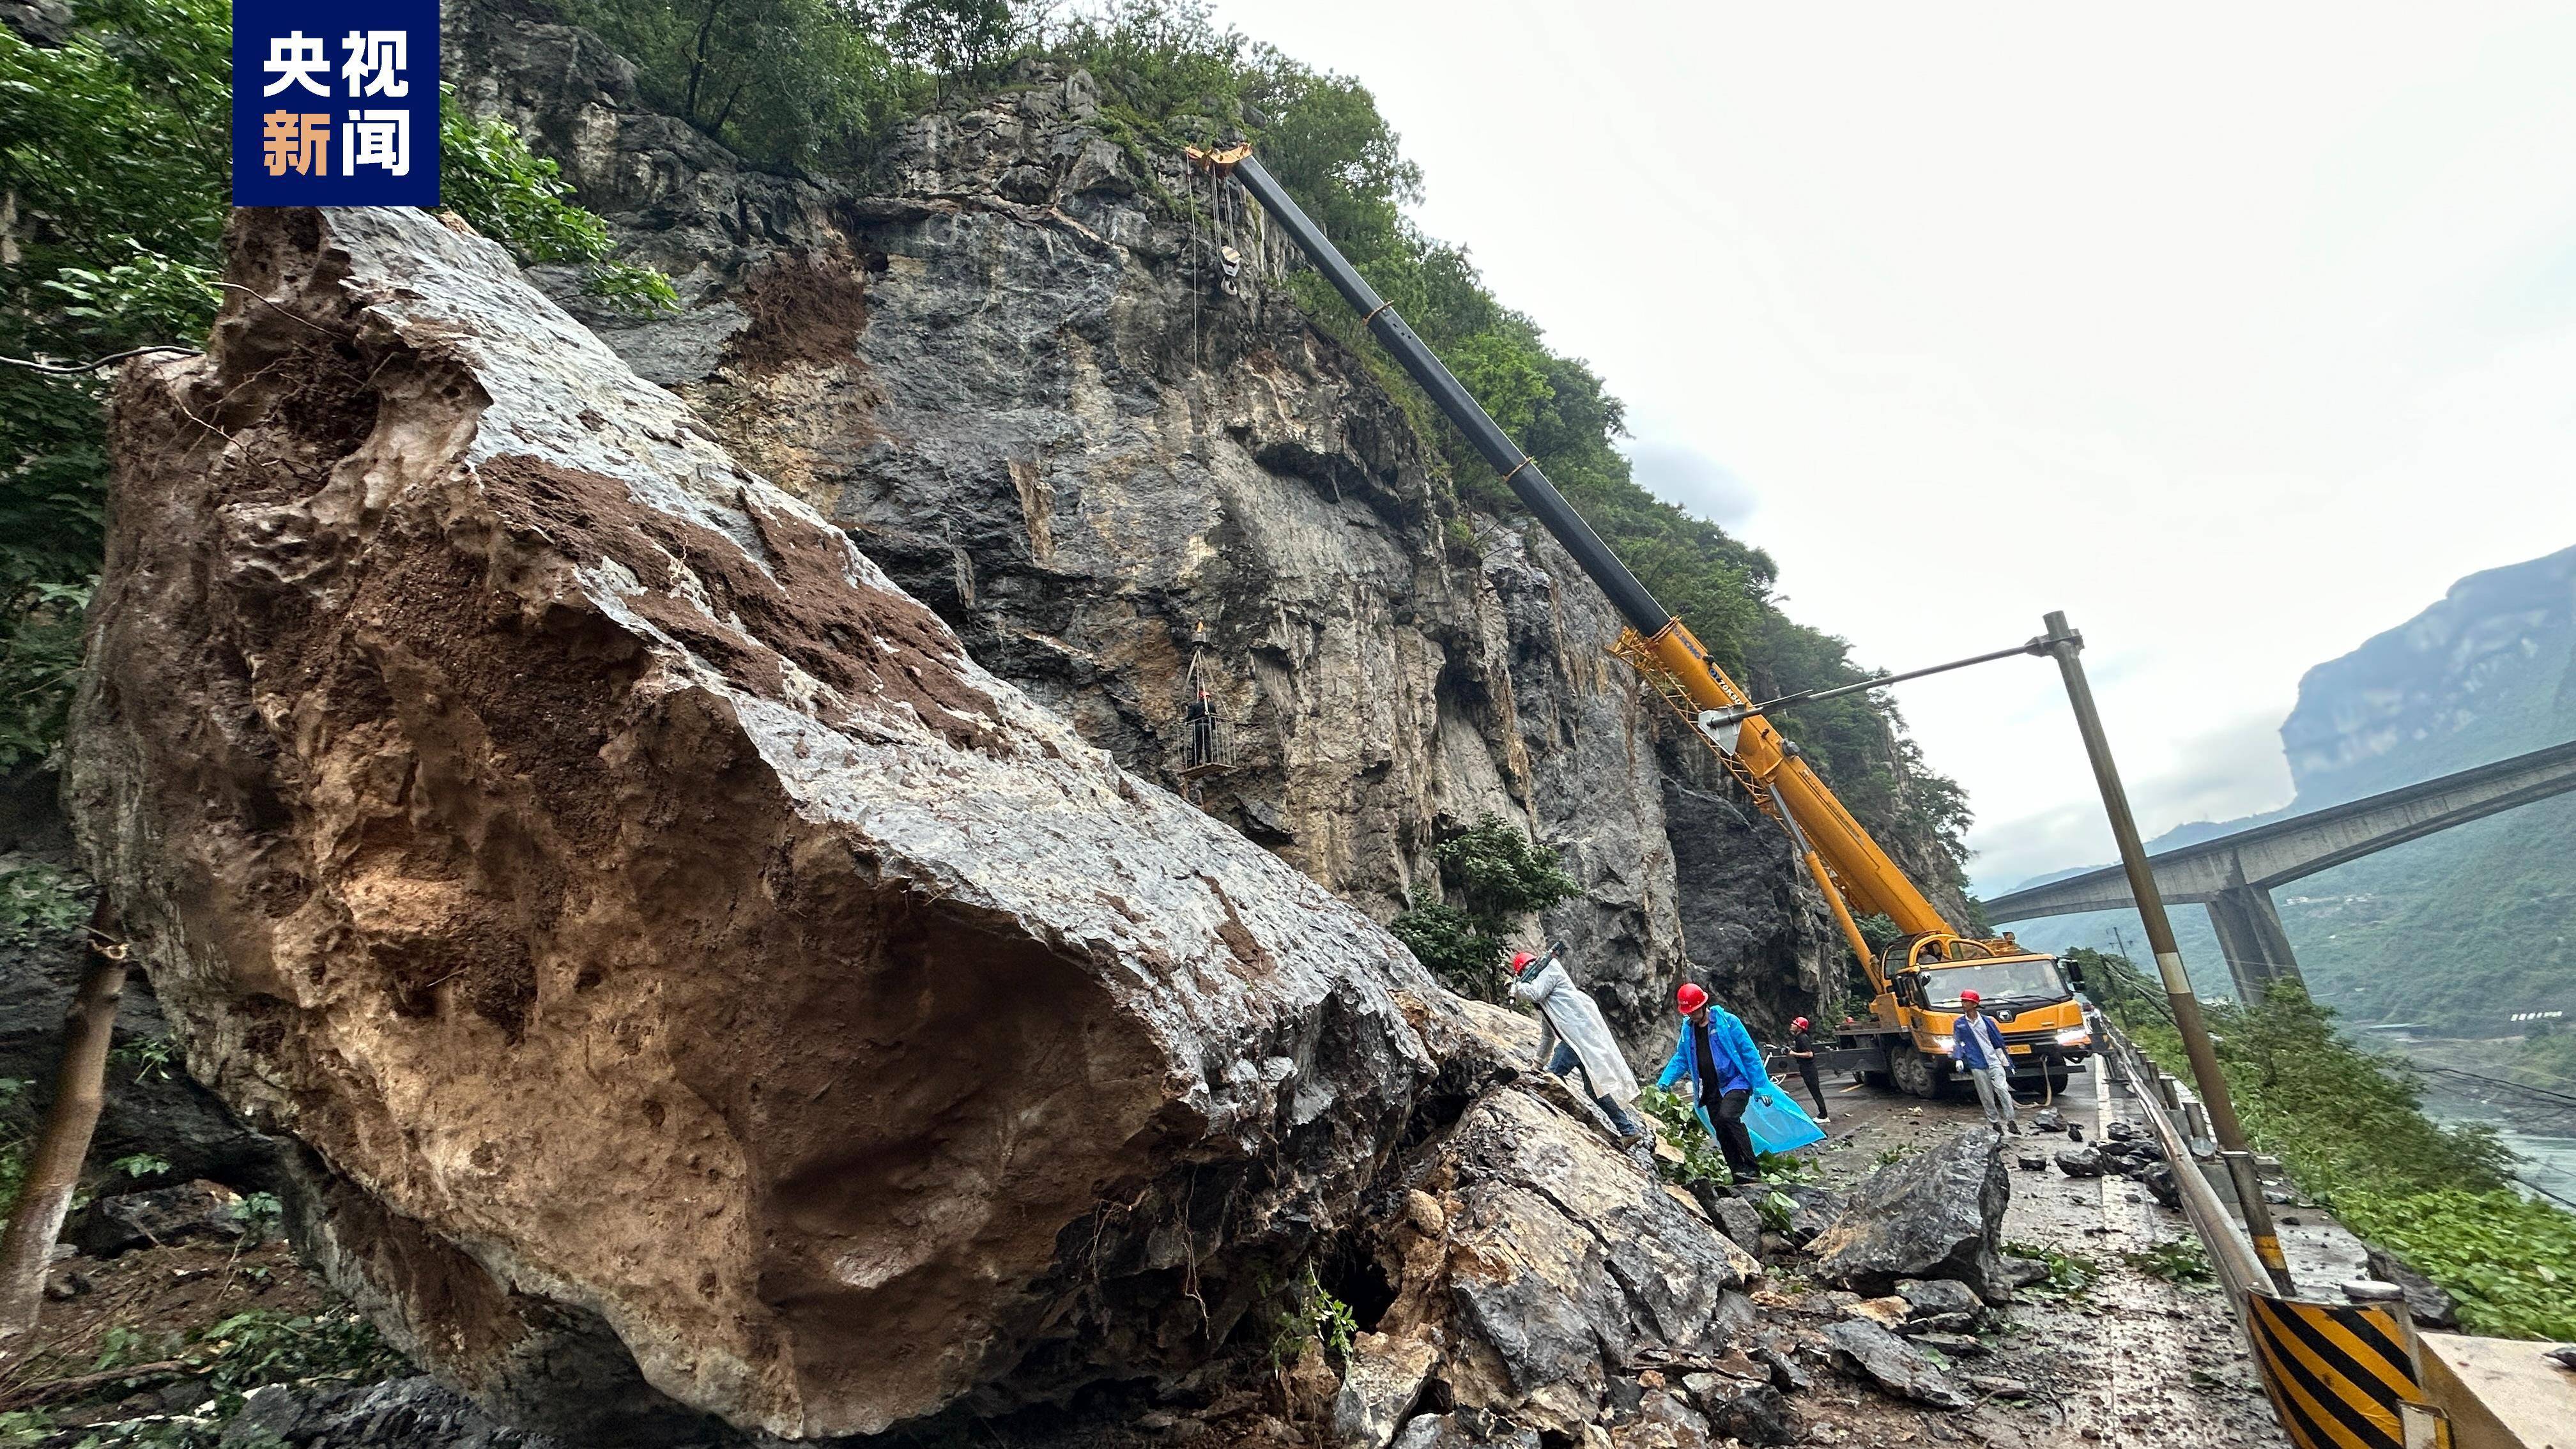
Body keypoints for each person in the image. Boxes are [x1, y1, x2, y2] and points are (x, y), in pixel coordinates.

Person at [1510, 946, 1644, 1140]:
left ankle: (1554, 1117)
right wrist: (1537, 1064)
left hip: (1576, 1038)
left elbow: (1535, 993)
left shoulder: (1550, 970)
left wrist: (1515, 987)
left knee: (1553, 1077)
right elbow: (1548, 1035)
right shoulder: (1548, 1004)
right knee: (1594, 1091)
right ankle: (1629, 1131)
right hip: (1577, 1041)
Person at [1657, 983, 1779, 1184]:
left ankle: (1752, 1168)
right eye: (1688, 1012)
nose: (1692, 1015)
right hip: (1710, 1087)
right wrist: (1665, 1081)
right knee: (1720, 1129)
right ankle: (1737, 1172)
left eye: (1694, 1011)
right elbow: (1682, 1058)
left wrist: (1760, 1085)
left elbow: (1749, 1053)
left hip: (1736, 1081)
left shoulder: (1728, 1023)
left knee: (1728, 1117)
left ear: (1703, 1005)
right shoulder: (1688, 1030)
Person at [1950, 990, 2018, 1133]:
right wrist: (1958, 1058)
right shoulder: (1960, 1024)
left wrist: (2006, 1062)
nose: (1963, 1004)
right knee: (1986, 1095)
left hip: (1994, 1061)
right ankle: (1995, 1123)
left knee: (2002, 1090)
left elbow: (1997, 1042)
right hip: (1977, 1064)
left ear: (1975, 1004)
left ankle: (2011, 1120)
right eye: (1963, 1001)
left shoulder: (1987, 1021)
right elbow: (1958, 1042)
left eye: (1966, 1001)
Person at [1786, 1016, 1829, 1121]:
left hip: (1809, 1069)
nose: (1792, 1025)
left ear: (1800, 1028)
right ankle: (1822, 1114)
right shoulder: (1798, 1038)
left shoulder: (1803, 1038)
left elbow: (1809, 1054)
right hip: (1805, 1068)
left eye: (1795, 1024)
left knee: (1815, 1091)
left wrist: (1793, 1054)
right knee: (1814, 1091)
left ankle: (1823, 1115)